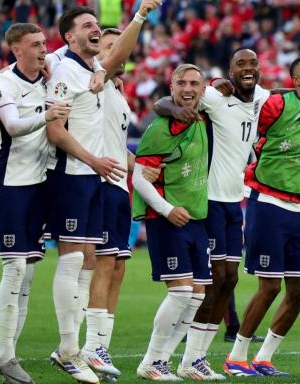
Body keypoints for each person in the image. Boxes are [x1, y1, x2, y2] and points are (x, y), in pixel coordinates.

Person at [154, 49, 270, 377]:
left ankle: (198, 357)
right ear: (230, 72)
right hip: (212, 201)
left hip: (235, 201)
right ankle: (187, 357)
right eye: (240, 65)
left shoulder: (262, 97)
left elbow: (289, 96)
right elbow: (163, 103)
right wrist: (177, 109)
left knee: (230, 279)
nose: (247, 69)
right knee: (214, 279)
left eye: (252, 64)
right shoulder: (217, 98)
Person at [222, 55, 300, 377]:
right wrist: (222, 86)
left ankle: (264, 358)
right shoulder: (275, 105)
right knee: (269, 286)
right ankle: (236, 357)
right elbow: (245, 105)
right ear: (295, 80)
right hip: (267, 202)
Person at [45, 7, 134, 383]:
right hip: (72, 174)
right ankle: (68, 351)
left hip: (95, 179)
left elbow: (111, 61)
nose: (95, 29)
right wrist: (94, 160)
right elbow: (56, 130)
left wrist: (99, 68)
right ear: (69, 37)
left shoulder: (91, 72)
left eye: (96, 24)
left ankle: (75, 350)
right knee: (72, 262)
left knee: (87, 264)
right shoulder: (62, 69)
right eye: (87, 26)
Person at [79, 0, 162, 380]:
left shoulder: (117, 91)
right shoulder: (92, 79)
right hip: (96, 183)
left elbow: (115, 143)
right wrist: (139, 16)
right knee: (102, 264)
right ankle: (88, 346)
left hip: (118, 185)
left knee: (118, 267)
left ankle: (100, 346)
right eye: (110, 45)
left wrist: (139, 166)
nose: (119, 51)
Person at [0, 24, 71, 384]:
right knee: (15, 269)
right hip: (10, 187)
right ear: (15, 48)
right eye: (35, 44)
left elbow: (85, 56)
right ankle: (6, 355)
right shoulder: (3, 83)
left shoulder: (47, 76)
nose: (43, 49)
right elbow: (13, 126)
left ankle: (8, 356)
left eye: (44, 44)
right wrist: (46, 116)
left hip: (39, 187)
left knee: (29, 274)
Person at [131, 64, 215, 380]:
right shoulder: (160, 127)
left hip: (196, 215)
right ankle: (151, 362)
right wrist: (167, 210)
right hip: (167, 218)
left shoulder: (204, 116)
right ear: (172, 86)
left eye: (195, 83)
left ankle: (170, 361)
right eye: (182, 83)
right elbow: (139, 177)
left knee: (196, 296)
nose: (189, 88)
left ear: (203, 89)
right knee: (180, 293)